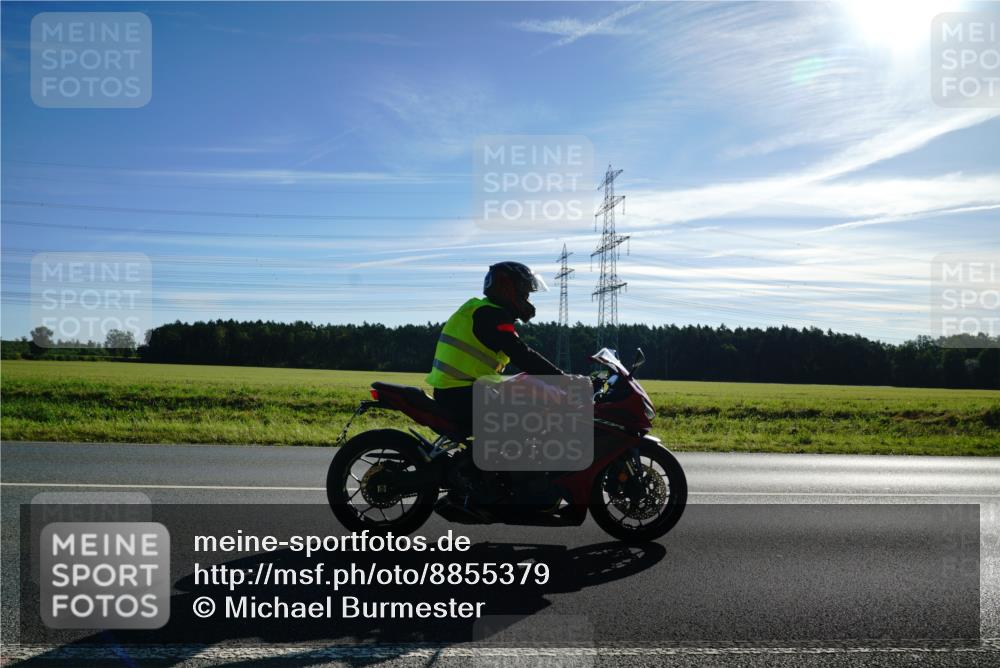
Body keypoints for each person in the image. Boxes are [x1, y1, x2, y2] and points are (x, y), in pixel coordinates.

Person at [426, 261, 565, 436]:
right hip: (462, 395)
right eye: (525, 293)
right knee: (529, 417)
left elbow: (520, 353)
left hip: (458, 391)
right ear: (507, 289)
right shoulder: (491, 315)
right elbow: (521, 354)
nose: (527, 299)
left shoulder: (479, 309)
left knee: (527, 393)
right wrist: (562, 379)